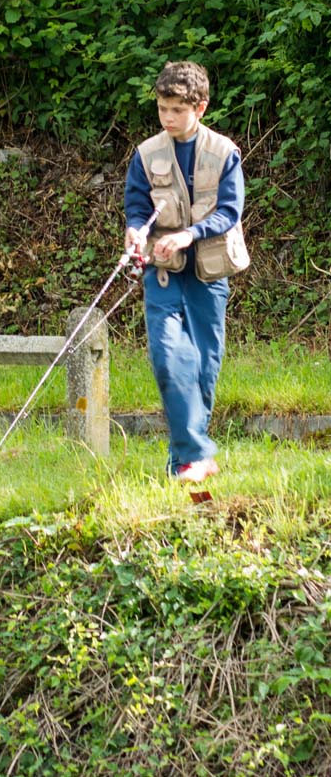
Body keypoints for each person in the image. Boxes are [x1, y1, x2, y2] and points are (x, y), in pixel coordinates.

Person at [124, 61, 249, 485]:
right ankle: (194, 458)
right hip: (162, 270)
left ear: (201, 107)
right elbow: (137, 207)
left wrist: (188, 234)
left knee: (202, 364)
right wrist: (134, 232)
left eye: (178, 109)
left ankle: (185, 461)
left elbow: (230, 212)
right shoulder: (145, 154)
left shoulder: (224, 152)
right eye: (162, 109)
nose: (169, 118)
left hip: (210, 272)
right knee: (165, 355)